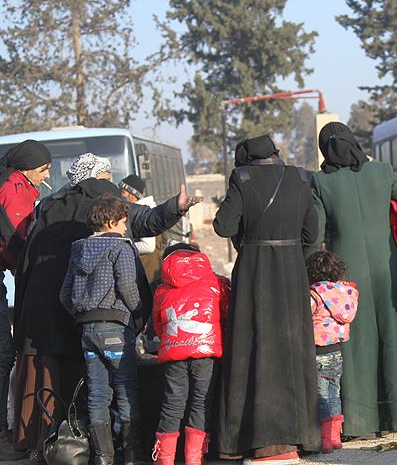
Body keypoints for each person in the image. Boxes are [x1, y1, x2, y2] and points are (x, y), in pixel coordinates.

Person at [12, 153, 199, 457]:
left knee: (92, 390)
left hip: (53, 311)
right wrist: (140, 320)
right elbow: (146, 227)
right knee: (124, 389)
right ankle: (130, 454)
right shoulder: (109, 212)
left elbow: (33, 264)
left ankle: (91, 452)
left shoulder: (50, 205)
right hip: (110, 323)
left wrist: (76, 312)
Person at [309, 122, 397, 438]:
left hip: (345, 273)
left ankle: (359, 422)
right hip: (386, 266)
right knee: (393, 336)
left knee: (355, 346)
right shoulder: (382, 171)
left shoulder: (321, 182)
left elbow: (316, 231)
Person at [213, 134, 320, 462]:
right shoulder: (302, 177)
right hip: (291, 272)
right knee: (293, 348)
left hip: (254, 272)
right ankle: (299, 436)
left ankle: (247, 438)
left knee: (250, 348)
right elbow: (312, 234)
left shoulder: (242, 178)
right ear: (275, 153)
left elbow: (222, 225)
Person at [59, 194, 142, 465]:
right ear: (110, 221)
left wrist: (82, 315)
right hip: (116, 329)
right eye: (123, 222)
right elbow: (128, 286)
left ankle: (103, 457)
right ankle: (131, 455)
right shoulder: (121, 248)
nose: (126, 227)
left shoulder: (78, 249)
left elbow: (65, 294)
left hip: (88, 332)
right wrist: (138, 312)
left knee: (97, 393)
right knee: (125, 389)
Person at [151, 245, 230, 465]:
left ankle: (164, 460)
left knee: (172, 403)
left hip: (174, 350)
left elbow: (158, 324)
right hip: (206, 351)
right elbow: (226, 315)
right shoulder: (217, 282)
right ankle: (194, 458)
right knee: (201, 402)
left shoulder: (162, 288)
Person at [0, 139, 50, 461]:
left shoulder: (22, 188)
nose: (48, 173)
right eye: (44, 167)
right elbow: (20, 237)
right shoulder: (15, 189)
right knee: (3, 356)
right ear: (27, 168)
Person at [306, 250, 358, 454]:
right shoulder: (346, 292)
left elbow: (305, 314)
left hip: (318, 352)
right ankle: (336, 437)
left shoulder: (314, 293)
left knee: (320, 396)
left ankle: (325, 440)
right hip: (337, 352)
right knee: (334, 393)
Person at [120, 174, 163, 283]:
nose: (120, 195)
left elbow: (148, 246)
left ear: (132, 195)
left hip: (148, 271)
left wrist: (123, 248)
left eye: (123, 192)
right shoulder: (143, 211)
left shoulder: (142, 214)